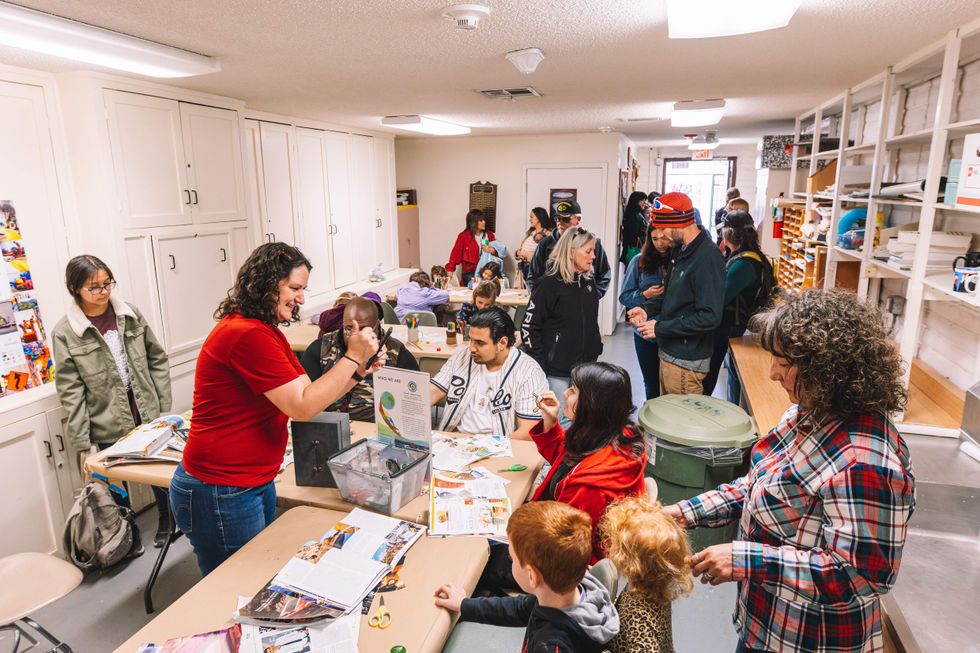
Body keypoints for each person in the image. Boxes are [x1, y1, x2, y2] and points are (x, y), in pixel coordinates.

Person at [665, 290, 915, 653]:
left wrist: (746, 559)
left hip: (812, 640)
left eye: (783, 362)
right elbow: (760, 485)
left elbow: (860, 575)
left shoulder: (864, 461)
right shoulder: (809, 413)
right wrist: (685, 513)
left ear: (826, 365)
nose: (772, 373)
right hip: (768, 623)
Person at [172, 243, 383, 575]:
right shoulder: (246, 335)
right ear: (268, 283)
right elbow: (302, 407)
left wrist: (358, 371)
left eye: (303, 290)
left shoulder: (264, 331)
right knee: (238, 585)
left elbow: (310, 393)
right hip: (222, 488)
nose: (301, 298)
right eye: (295, 288)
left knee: (255, 579)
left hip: (249, 481)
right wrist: (353, 356)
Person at [53, 254, 172, 552]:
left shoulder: (128, 314)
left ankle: (168, 523)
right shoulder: (66, 332)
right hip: (104, 418)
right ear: (74, 289)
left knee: (158, 470)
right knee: (116, 481)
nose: (103, 291)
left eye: (107, 283)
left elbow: (156, 358)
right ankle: (127, 536)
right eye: (94, 287)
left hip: (144, 408)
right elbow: (71, 389)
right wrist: (83, 442)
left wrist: (164, 407)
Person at [434, 501, 620, 653]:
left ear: (532, 576)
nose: (510, 562)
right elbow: (521, 608)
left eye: (512, 559)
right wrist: (465, 604)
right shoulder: (569, 593)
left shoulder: (551, 645)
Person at [530, 363, 646, 562]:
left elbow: (562, 546)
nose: (565, 393)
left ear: (592, 405)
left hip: (563, 564)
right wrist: (550, 422)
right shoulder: (616, 435)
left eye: (573, 390)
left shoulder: (589, 487)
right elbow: (567, 461)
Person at [627, 192, 724, 396]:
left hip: (686, 362)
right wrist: (645, 308)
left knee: (679, 425)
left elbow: (710, 316)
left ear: (679, 223)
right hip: (670, 354)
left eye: (663, 229)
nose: (660, 235)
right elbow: (670, 295)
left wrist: (660, 328)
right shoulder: (680, 251)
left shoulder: (707, 257)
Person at [523, 227, 603, 423]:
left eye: (594, 251)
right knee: (558, 422)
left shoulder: (589, 284)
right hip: (556, 371)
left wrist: (596, 346)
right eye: (588, 251)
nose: (593, 256)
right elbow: (529, 327)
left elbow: (590, 322)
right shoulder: (548, 285)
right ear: (570, 251)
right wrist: (540, 363)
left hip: (584, 370)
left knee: (580, 420)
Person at [431, 307, 547, 440]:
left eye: (480, 343)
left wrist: (487, 449)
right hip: (455, 441)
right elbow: (432, 392)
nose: (472, 348)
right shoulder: (462, 356)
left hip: (501, 447)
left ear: (502, 343)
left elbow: (529, 431)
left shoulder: (529, 372)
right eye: (471, 340)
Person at [300, 296, 419, 421]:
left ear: (376, 326)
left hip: (378, 429)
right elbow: (303, 398)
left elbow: (414, 402)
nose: (355, 336)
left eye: (363, 329)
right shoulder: (322, 348)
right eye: (349, 329)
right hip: (328, 426)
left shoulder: (396, 352)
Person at [599, 496, 693, 653]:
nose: (611, 544)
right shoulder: (655, 588)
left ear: (631, 561)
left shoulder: (637, 611)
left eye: (617, 543)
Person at [702, 212, 775, 399]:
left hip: (730, 326)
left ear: (729, 235)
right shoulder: (749, 257)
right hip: (735, 325)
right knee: (729, 373)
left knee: (710, 373)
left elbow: (721, 296)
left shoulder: (744, 264)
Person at [619, 226, 672, 400]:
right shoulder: (638, 261)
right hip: (645, 335)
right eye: (655, 239)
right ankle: (651, 424)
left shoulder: (679, 261)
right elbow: (624, 297)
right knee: (651, 383)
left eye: (663, 238)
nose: (660, 244)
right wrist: (644, 295)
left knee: (671, 386)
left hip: (672, 332)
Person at [526, 200, 611, 296]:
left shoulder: (592, 243)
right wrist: (540, 297)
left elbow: (604, 274)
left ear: (578, 219)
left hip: (581, 304)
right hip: (551, 305)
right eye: (557, 219)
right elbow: (532, 277)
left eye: (565, 219)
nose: (560, 223)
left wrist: (593, 296)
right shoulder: (545, 244)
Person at [446, 208, 499, 287]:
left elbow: (499, 252)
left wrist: (492, 250)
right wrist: (450, 271)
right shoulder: (463, 236)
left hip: (487, 272)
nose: (484, 222)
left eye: (484, 220)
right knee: (474, 289)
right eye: (481, 220)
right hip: (470, 273)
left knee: (488, 290)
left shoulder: (489, 235)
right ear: (473, 222)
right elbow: (455, 255)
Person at [515, 207, 554, 288]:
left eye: (532, 217)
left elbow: (547, 256)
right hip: (524, 268)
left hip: (535, 270)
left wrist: (528, 257)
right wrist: (518, 253)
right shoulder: (531, 233)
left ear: (539, 217)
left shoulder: (548, 234)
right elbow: (522, 247)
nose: (530, 219)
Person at [619, 191, 649, 266]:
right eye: (643, 200)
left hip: (637, 250)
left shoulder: (639, 213)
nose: (645, 203)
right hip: (634, 250)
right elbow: (633, 237)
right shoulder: (634, 215)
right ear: (636, 200)